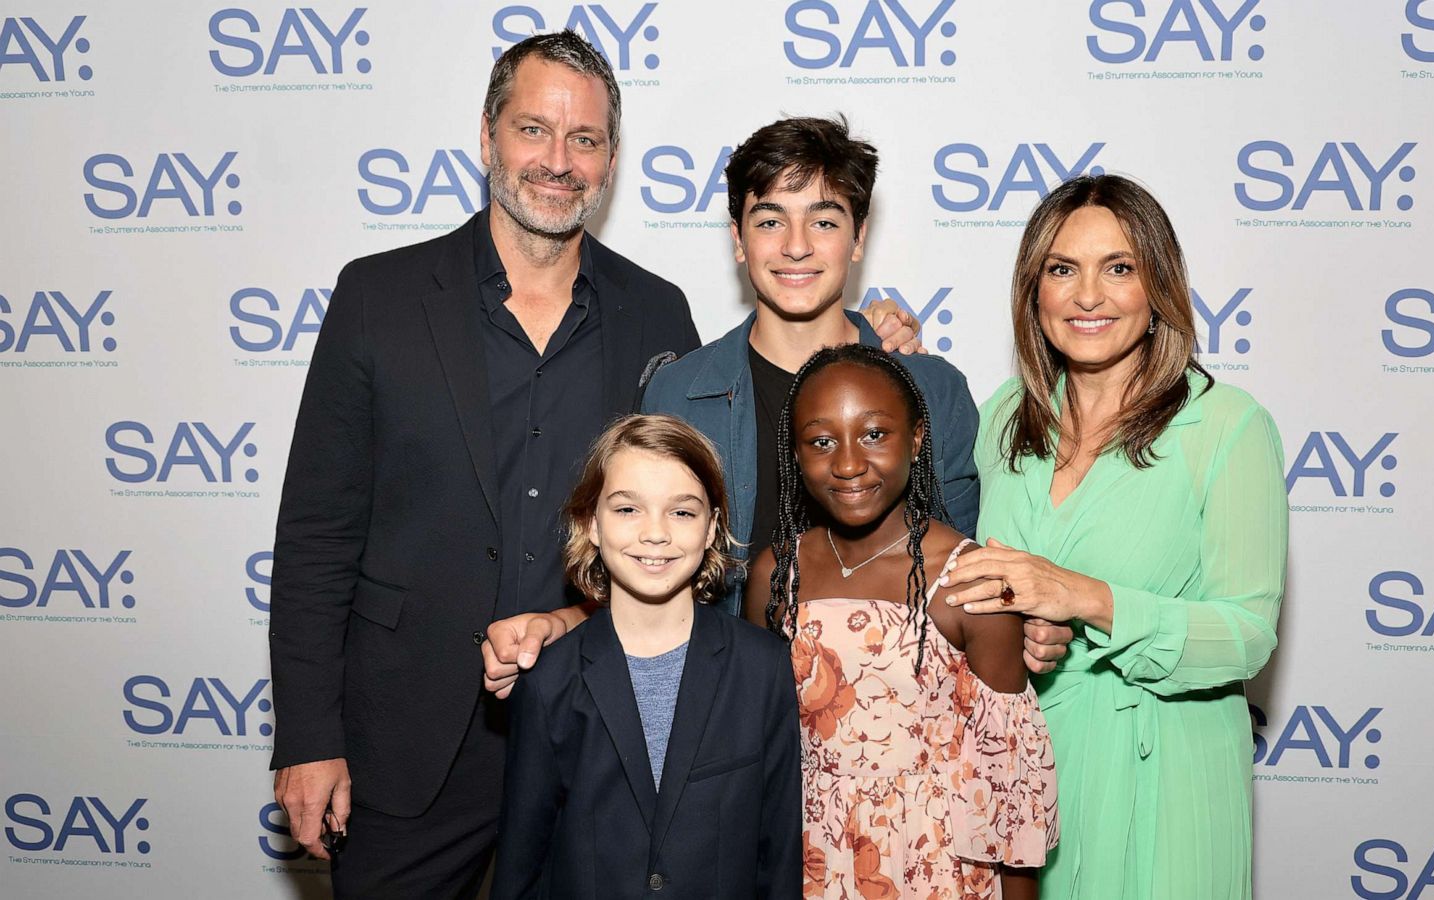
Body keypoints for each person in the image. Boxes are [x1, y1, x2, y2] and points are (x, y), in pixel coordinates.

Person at [270, 30, 917, 896]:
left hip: (605, 740)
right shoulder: (377, 297)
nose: (558, 161)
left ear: (611, 159)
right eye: (534, 130)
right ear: (488, 135)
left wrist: (870, 350)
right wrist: (310, 736)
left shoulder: (657, 315)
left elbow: (714, 500)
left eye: (586, 140)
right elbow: (316, 535)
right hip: (410, 742)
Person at [482, 116, 1056, 696]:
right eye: (770, 220)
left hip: (899, 733)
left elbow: (969, 581)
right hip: (721, 720)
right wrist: (564, 621)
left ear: (858, 239)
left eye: (824, 221)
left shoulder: (931, 390)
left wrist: (1030, 622)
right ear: (738, 239)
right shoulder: (679, 392)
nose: (796, 246)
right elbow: (646, 579)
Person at [942, 174, 1289, 900]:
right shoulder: (1006, 414)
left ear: (1157, 286)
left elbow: (1248, 635)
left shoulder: (1229, 428)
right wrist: (1025, 631)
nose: (1088, 296)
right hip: (1030, 769)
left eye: (1119, 268)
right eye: (1062, 269)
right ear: (1033, 292)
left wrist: (1083, 598)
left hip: (1166, 776)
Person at [744, 344, 1058, 900]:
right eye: (821, 441)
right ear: (795, 453)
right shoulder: (775, 574)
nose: (847, 463)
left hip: (935, 864)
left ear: (915, 440)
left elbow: (1009, 786)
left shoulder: (970, 581)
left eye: (873, 434)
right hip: (807, 859)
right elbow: (757, 753)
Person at [493, 415, 800, 899]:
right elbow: (523, 862)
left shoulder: (763, 668)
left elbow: (779, 852)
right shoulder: (549, 680)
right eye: (628, 509)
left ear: (711, 527)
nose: (655, 533)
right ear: (590, 523)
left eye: (682, 512)